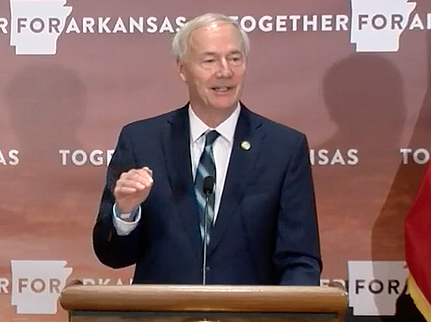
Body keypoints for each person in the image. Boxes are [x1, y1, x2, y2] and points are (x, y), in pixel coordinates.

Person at [92, 13, 321, 285]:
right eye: (209, 60)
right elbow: (112, 255)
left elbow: (300, 260)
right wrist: (126, 212)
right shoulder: (141, 141)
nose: (225, 71)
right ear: (182, 69)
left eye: (235, 58)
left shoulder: (283, 147)